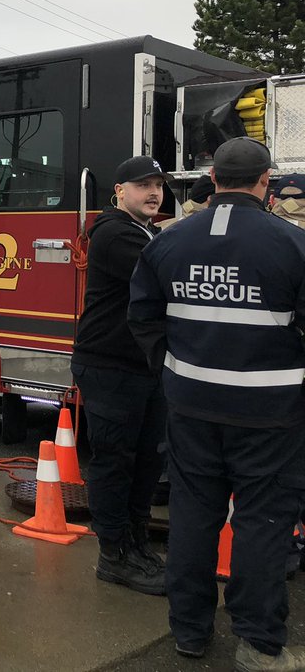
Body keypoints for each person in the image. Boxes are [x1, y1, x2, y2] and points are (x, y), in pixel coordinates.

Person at [129, 137, 305, 670]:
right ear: (265, 181)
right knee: (263, 525)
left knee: (192, 518)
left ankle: (189, 632)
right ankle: (256, 644)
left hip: (191, 408)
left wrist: (180, 367)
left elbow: (142, 317)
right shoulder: (293, 244)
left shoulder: (168, 241)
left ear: (213, 179)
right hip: (270, 416)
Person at [70, 155, 168, 595]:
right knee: (114, 464)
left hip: (144, 367)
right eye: (143, 185)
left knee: (146, 462)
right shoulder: (113, 233)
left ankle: (137, 544)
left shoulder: (145, 231)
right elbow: (163, 275)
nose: (153, 193)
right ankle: (114, 556)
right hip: (109, 366)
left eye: (159, 186)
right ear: (119, 191)